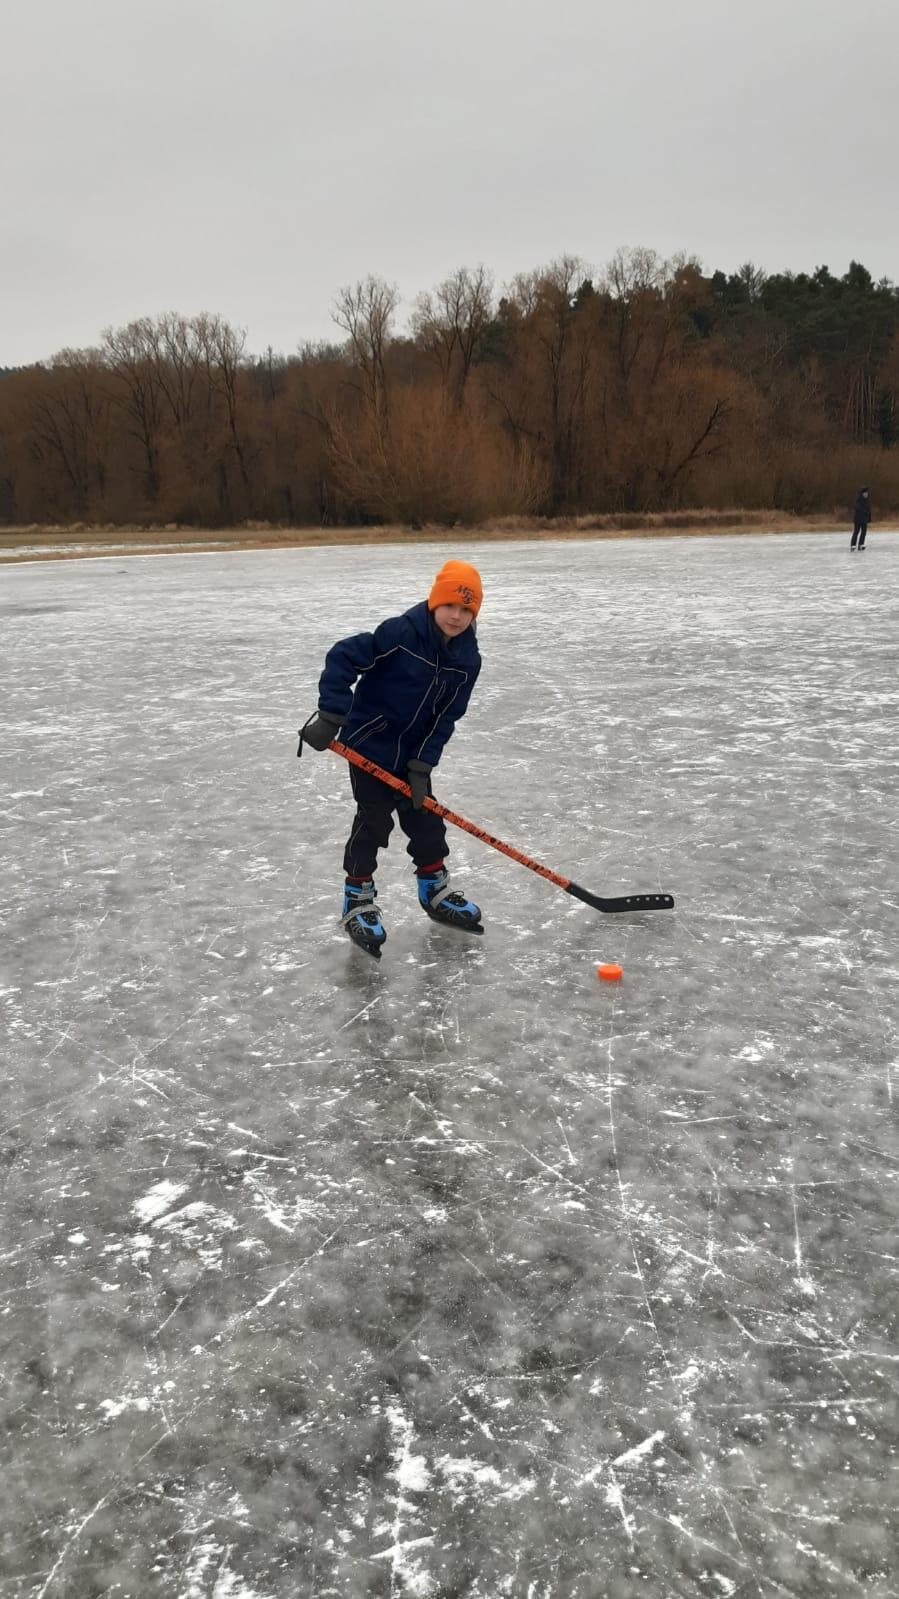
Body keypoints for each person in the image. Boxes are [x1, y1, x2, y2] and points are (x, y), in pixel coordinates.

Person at [301, 560, 484, 955]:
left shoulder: (467, 661)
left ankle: (434, 889)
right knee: (374, 820)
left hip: (413, 756)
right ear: (435, 602)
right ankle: (358, 899)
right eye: (450, 605)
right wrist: (332, 713)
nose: (457, 616)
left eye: (467, 609)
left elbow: (446, 717)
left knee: (426, 818)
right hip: (369, 746)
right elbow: (343, 657)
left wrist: (423, 764)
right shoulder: (401, 634)